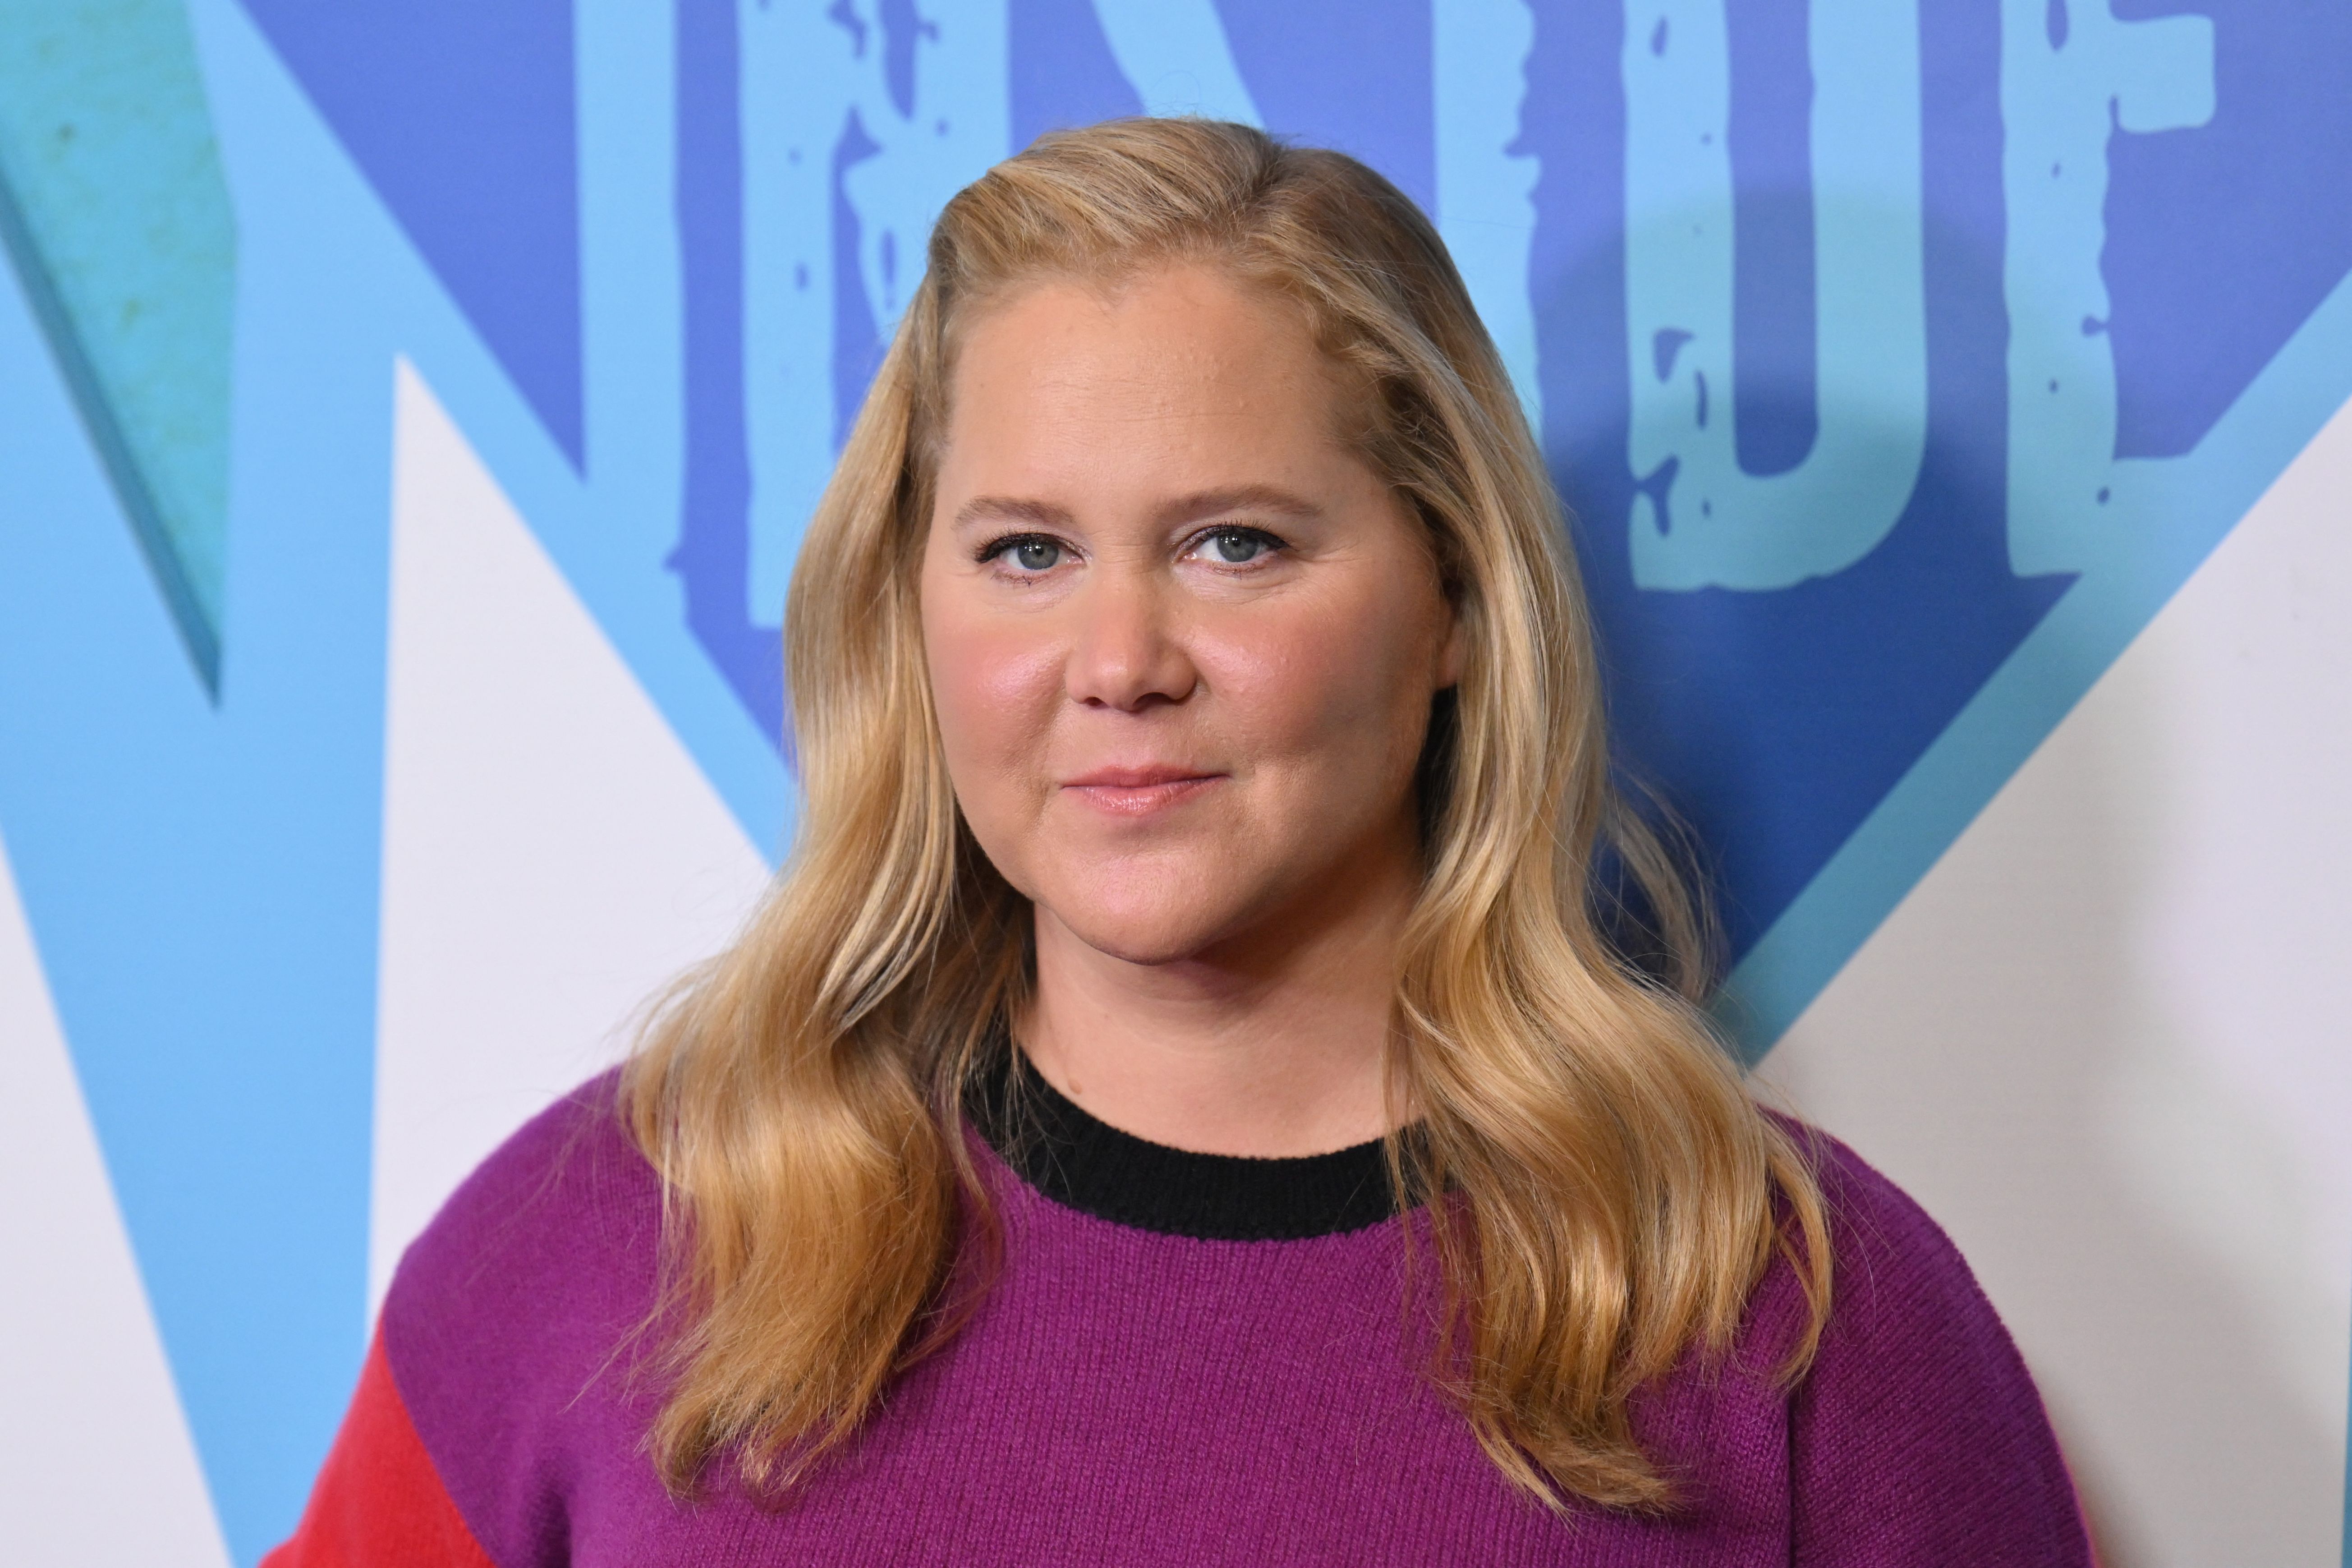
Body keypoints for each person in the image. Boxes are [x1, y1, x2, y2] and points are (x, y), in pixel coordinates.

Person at [268, 119, 2091, 1566]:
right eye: (1024, 553)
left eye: (1235, 544)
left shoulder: (1781, 1308)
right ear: (911, 610)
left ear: (1451, 598)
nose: (1120, 665)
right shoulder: (611, 1247)